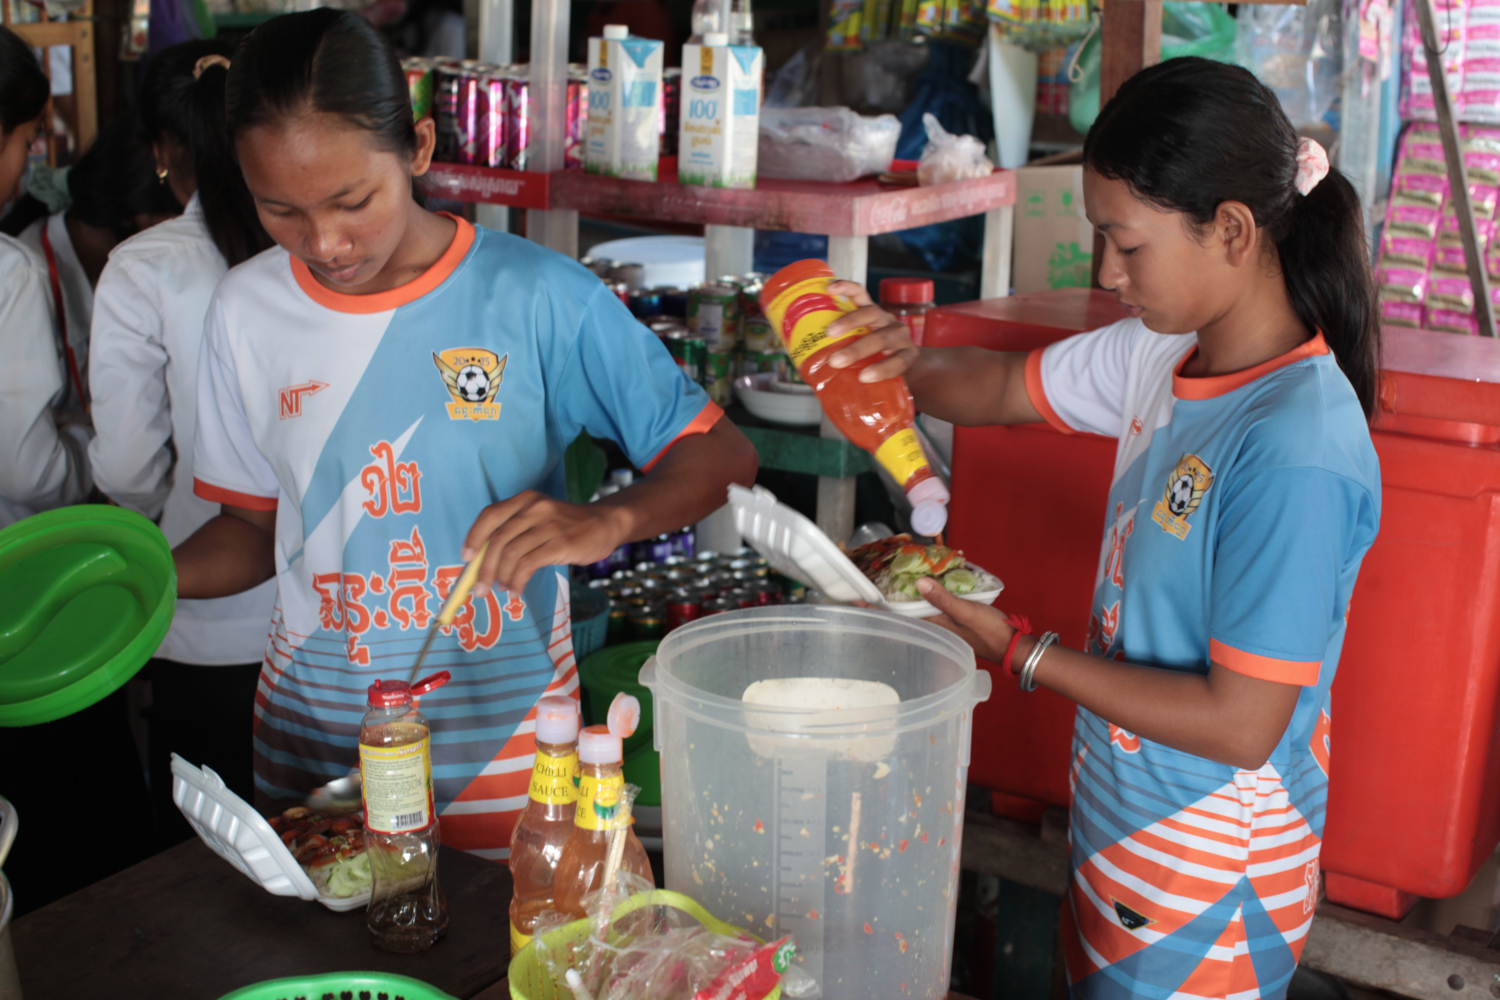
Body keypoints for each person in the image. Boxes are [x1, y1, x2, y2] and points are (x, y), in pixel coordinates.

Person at [829, 58, 1381, 1000]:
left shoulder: (1296, 446)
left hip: (1214, 865)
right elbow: (1002, 389)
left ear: (1234, 230)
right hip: (1125, 825)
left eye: (1126, 244)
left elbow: (1242, 724)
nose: (1108, 272)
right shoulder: (1165, 353)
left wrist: (1019, 652)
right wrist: (898, 362)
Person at [174, 8, 757, 860]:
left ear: (417, 147)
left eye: (352, 201)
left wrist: (609, 521)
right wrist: (141, 580)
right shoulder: (245, 311)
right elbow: (251, 531)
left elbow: (722, 454)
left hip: (511, 758)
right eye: (282, 211)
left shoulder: (539, 297)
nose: (325, 242)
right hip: (319, 757)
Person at [88, 38, 279, 848]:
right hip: (336, 625)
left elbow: (130, 469)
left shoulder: (143, 269)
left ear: (164, 152)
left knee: (209, 876)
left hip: (203, 618)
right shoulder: (322, 255)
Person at [0, 25, 155, 915]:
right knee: (69, 833)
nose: (29, 163)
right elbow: (26, 467)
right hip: (27, 603)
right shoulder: (10, 270)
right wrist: (89, 465)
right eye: (26, 140)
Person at [4, 116, 181, 443]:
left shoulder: (103, 267)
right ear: (131, 220)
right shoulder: (25, 276)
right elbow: (26, 462)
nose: (176, 249)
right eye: (171, 228)